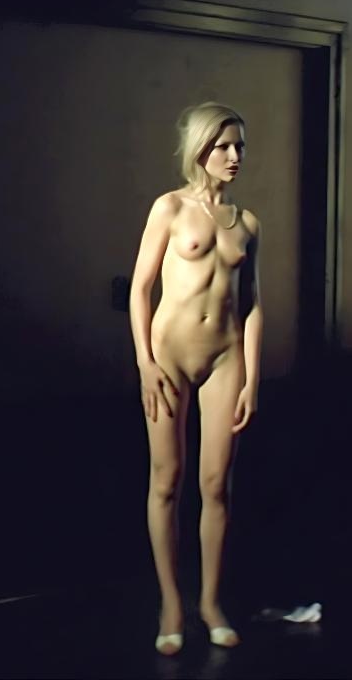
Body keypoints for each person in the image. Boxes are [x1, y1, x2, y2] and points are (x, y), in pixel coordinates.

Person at [128, 102, 262, 656]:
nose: (233, 156)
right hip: (170, 357)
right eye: (223, 146)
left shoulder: (247, 223)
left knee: (215, 484)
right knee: (167, 480)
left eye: (239, 146)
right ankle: (171, 603)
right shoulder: (170, 208)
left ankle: (209, 602)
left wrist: (253, 378)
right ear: (201, 149)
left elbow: (252, 305)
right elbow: (141, 288)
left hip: (225, 359)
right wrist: (144, 362)